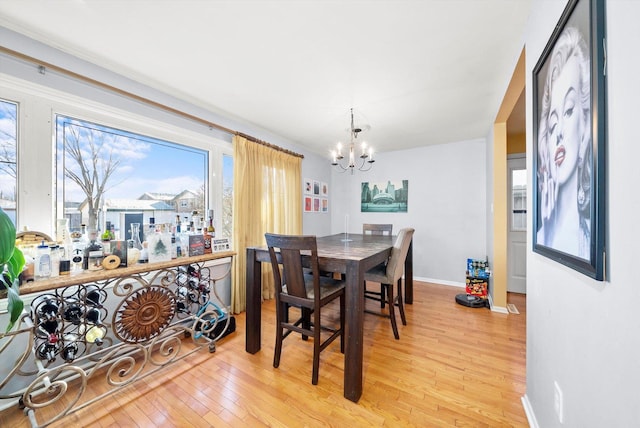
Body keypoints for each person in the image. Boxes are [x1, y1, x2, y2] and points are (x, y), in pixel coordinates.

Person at [536, 27, 591, 259]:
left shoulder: (586, 242)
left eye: (568, 111)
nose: (557, 133)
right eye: (552, 123)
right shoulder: (540, 236)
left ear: (586, 127)